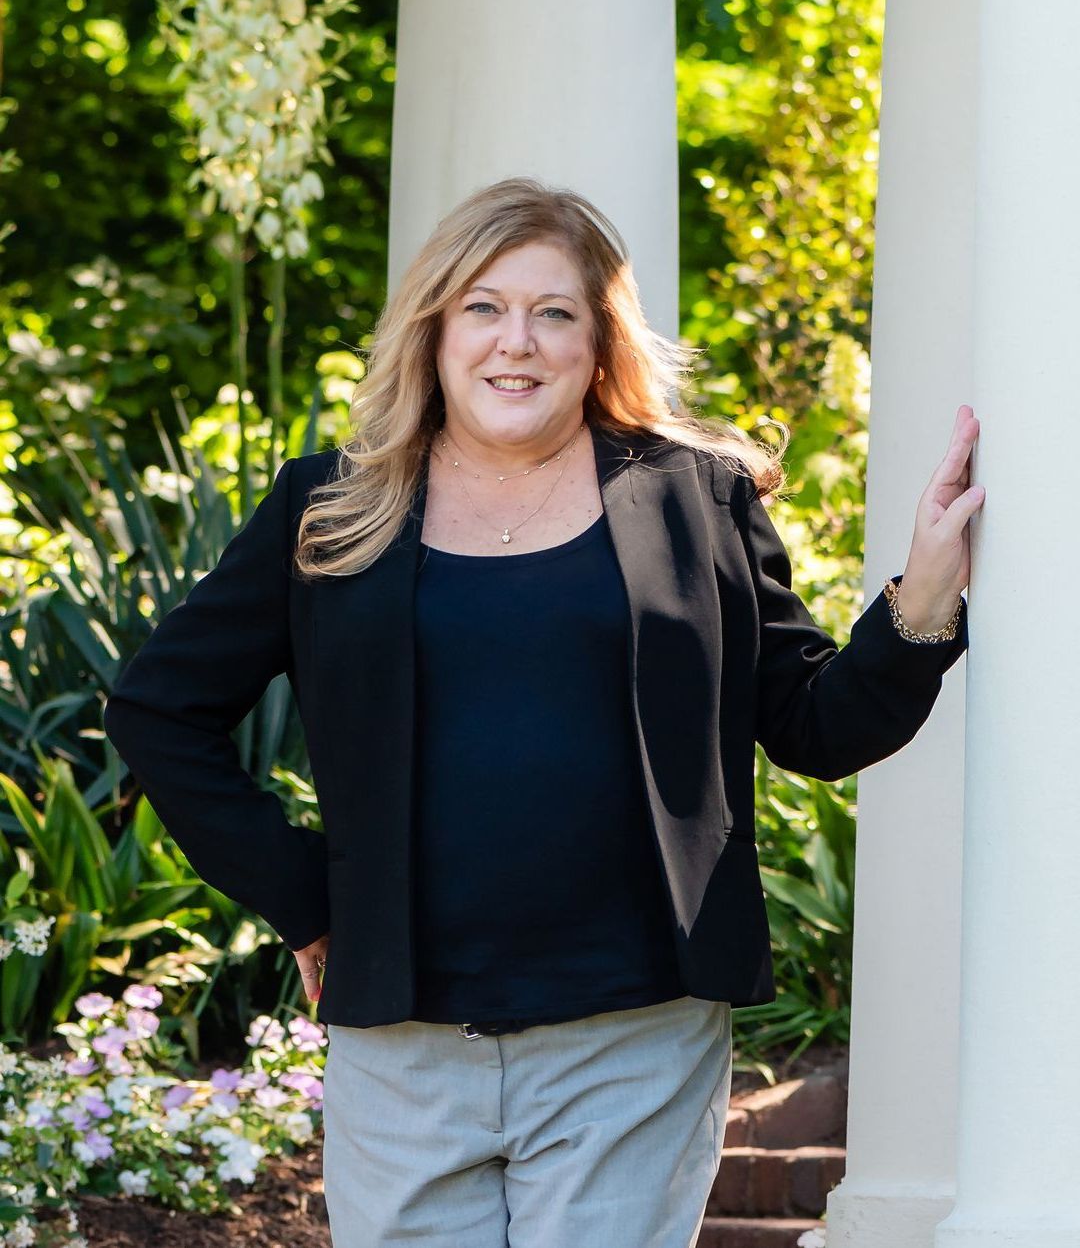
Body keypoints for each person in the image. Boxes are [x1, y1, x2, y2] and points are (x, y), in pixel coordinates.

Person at [103, 175, 984, 1248]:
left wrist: (923, 601)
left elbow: (812, 723)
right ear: (434, 330)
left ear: (599, 343)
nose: (514, 342)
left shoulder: (694, 500)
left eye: (553, 312)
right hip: (405, 1045)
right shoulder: (329, 509)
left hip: (636, 1035)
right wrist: (305, 893)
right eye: (483, 306)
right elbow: (158, 710)